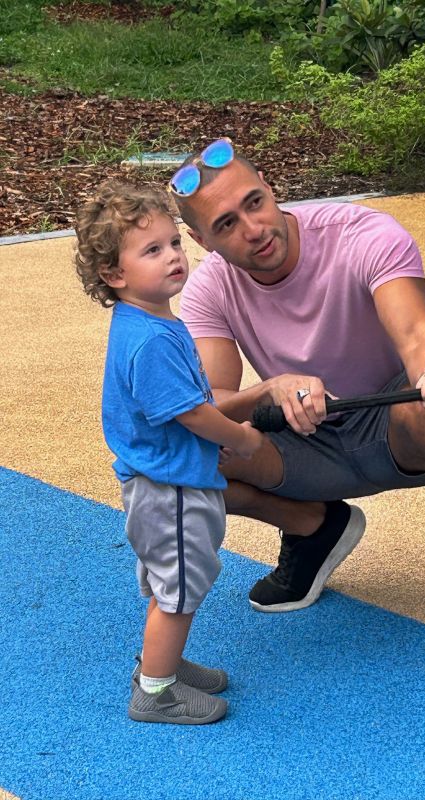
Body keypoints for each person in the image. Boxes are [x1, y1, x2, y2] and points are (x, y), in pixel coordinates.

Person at [171, 138, 425, 712]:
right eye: (227, 223)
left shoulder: (361, 235)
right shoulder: (210, 290)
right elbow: (214, 403)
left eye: (255, 202)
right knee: (180, 450)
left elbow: (418, 334)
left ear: (272, 188)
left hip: (392, 427)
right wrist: (269, 387)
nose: (253, 228)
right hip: (303, 441)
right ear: (202, 241)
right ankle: (313, 526)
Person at [74, 182, 263, 725]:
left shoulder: (153, 319)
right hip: (169, 488)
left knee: (174, 581)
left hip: (165, 481)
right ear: (115, 274)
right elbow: (191, 414)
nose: (173, 257)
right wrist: (240, 436)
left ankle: (167, 665)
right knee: (177, 589)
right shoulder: (152, 338)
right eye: (152, 251)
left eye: (174, 242)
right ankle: (155, 692)